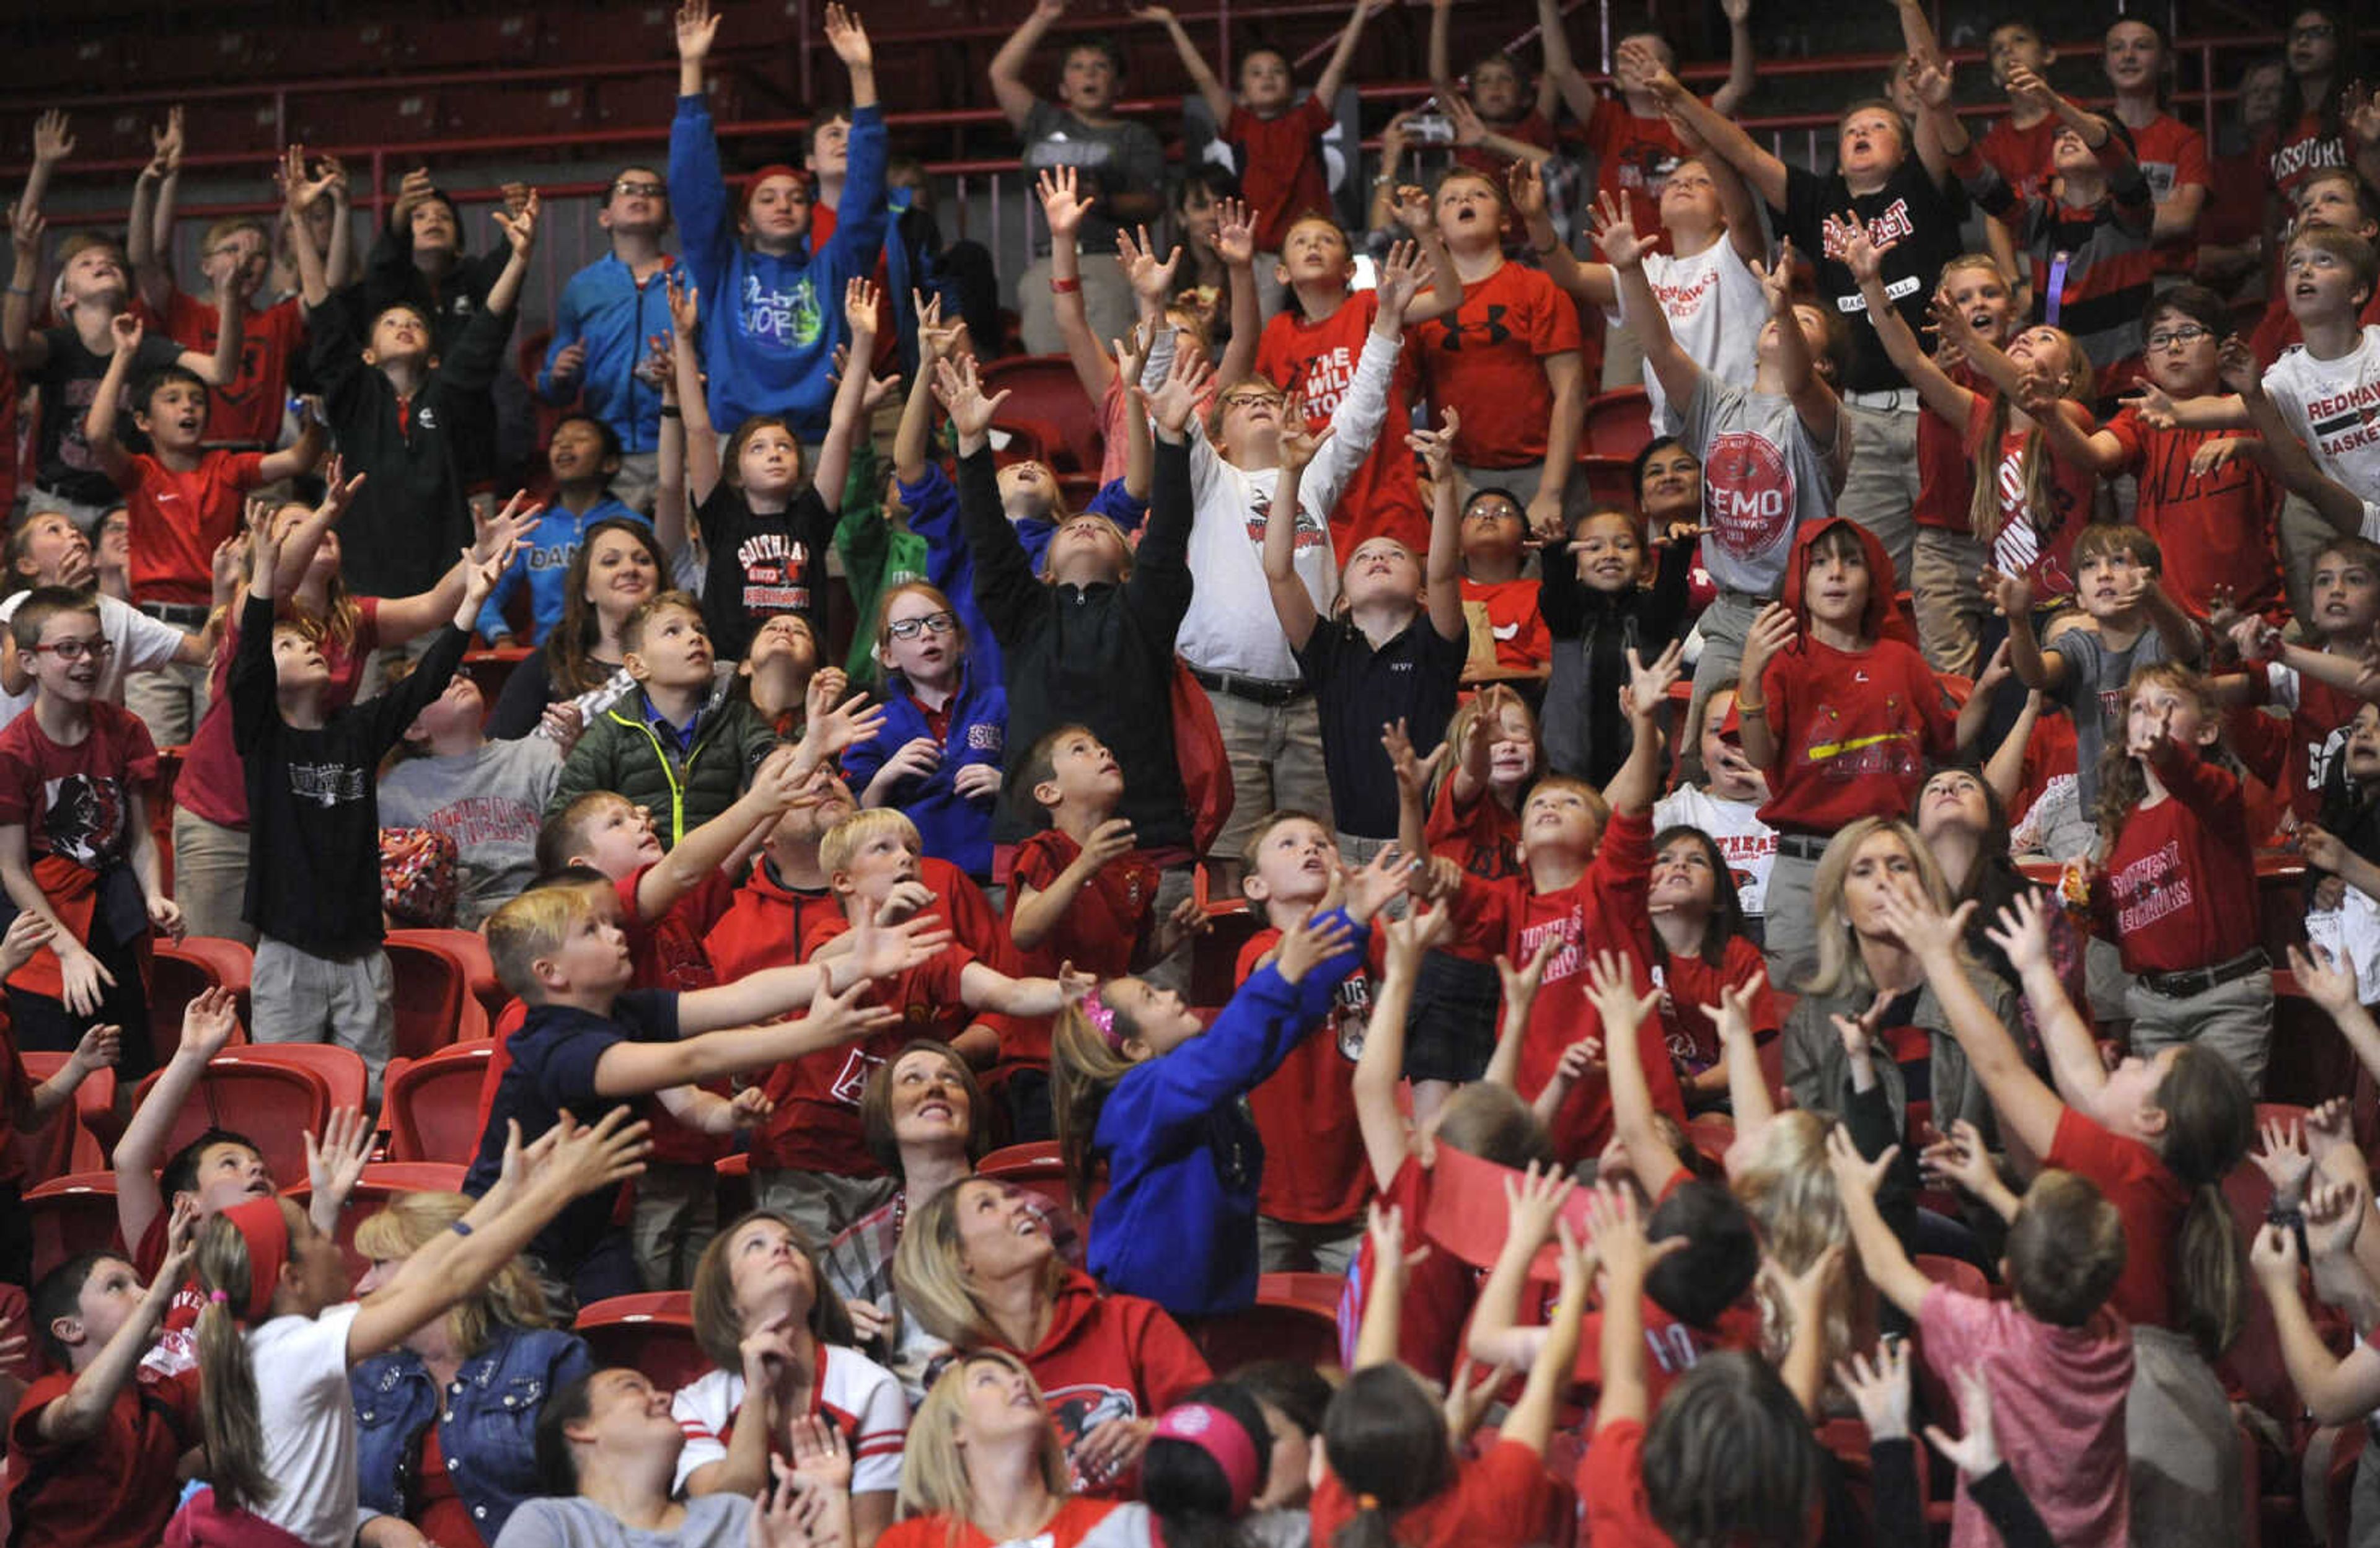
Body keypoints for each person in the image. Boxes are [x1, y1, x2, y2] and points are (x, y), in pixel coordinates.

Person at [1895, 883, 2254, 1547]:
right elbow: (2083, 1075)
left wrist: (1938, 959)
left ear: (2153, 1119)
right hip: (2176, 1404)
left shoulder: (2126, 1165)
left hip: (2153, 1419)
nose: (2124, 1056)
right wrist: (2035, 967)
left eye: (2145, 1065)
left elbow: (2004, 1070)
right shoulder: (2150, 1170)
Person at [462, 869, 946, 1300]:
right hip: (505, 1255)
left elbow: (739, 998)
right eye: (592, 931)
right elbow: (692, 1056)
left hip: (566, 1242)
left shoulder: (624, 1011)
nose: (616, 933)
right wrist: (808, 1034)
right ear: (551, 974)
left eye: (609, 923)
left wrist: (848, 967)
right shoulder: (556, 1049)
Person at [182, 1110, 651, 1548]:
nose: (332, 1243)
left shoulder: (274, 1336)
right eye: (313, 1234)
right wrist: (558, 1190)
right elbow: (448, 1279)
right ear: (292, 1279)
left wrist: (506, 1193)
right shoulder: (294, 1348)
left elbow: (422, 1269)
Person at [1642, 28, 1975, 589]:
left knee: (1959, 563)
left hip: (1940, 403)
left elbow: (1933, 97)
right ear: (1838, 160)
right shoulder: (1820, 201)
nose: (1862, 134)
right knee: (1874, 572)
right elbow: (1745, 154)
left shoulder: (1921, 186)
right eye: (1850, 132)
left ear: (1904, 148)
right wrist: (1682, 100)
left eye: (1878, 128)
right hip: (1859, 415)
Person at [231, 496, 520, 1094]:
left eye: (309, 644)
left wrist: (471, 604)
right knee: (289, 1090)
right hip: (289, 953)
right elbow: (249, 661)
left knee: (365, 1097)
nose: (307, 647)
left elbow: (428, 682)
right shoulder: (262, 736)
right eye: (288, 647)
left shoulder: (358, 732)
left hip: (363, 951)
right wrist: (263, 574)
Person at [1174, 241, 1416, 877]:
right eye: (1241, 402)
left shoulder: (1306, 475)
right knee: (1233, 869)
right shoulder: (1207, 478)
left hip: (1315, 700)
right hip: (1224, 703)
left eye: (1268, 399)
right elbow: (1167, 409)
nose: (1258, 403)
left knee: (1320, 861)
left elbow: (1362, 413)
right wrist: (1150, 303)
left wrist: (1387, 322)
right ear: (1218, 434)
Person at [937, 351, 1197, 903]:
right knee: (1038, 989)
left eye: (1099, 526)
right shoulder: (1025, 613)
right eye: (1074, 524)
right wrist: (972, 445)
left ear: (1128, 562)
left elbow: (1170, 536)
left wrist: (1173, 439)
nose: (1084, 524)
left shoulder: (1144, 610)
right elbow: (988, 538)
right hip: (1034, 838)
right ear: (1047, 568)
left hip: (1144, 836)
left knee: (1154, 989)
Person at [1055, 885, 1375, 1311]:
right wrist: (1279, 976)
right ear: (1135, 1050)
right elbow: (1226, 1054)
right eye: (1152, 997)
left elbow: (1281, 1028)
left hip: (1211, 1297)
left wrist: (1353, 920)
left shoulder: (1192, 1070)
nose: (1173, 994)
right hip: (1152, 1304)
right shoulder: (1138, 1096)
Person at [1597, 193, 1844, 724]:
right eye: (1782, 318)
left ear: (1824, 361)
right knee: (1701, 758)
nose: (1787, 322)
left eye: (1805, 321)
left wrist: (1781, 306)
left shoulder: (1825, 417)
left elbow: (1800, 384)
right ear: (1755, 344)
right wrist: (1629, 271)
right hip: (1730, 614)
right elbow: (1661, 348)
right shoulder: (1718, 403)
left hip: (1806, 614)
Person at [1831, 1127, 2135, 1547]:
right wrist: (1990, 1188)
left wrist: (1854, 1193)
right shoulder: (2115, 1338)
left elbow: (1887, 1271)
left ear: (2008, 1273)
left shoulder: (1990, 1339)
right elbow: (2069, 1254)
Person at [1736, 518, 1975, 984]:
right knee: (1799, 1009)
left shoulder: (1902, 660)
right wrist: (1750, 677)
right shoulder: (1784, 660)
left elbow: (1951, 741)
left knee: (1895, 997)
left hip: (1888, 856)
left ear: (1875, 582)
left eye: (1851, 562)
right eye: (1820, 563)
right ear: (1798, 585)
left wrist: (1989, 688)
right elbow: (1761, 755)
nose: (1837, 574)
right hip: (1806, 864)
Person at [286, 154, 534, 602]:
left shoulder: (449, 393)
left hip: (440, 592)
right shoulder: (353, 393)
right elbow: (323, 312)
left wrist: (518, 258)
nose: (404, 326)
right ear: (367, 352)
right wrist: (300, 220)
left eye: (416, 324)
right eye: (390, 323)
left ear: (436, 357)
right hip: (359, 596)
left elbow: (489, 325)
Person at [81, 314, 324, 745]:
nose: (188, 406)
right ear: (143, 422)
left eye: (196, 399)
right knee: (157, 753)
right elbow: (98, 435)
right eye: (172, 399)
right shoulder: (140, 473)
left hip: (222, 626)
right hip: (158, 631)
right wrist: (123, 354)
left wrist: (316, 418)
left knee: (221, 752)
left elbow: (300, 460)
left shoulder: (228, 468)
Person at [892, 1178, 1211, 1494]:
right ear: (958, 1258)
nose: (1020, 1204)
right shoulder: (959, 1385)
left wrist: (1158, 1435)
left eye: (1010, 1197)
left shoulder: (1130, 1323)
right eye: (987, 1205)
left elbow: (1225, 1430)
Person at [1264, 403, 1465, 864]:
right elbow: (1278, 573)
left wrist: (1446, 482)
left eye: (1396, 555)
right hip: (1351, 848)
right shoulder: (1330, 649)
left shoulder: (1434, 643)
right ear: (1343, 599)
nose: (1378, 558)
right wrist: (1290, 475)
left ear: (1420, 593)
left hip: (1433, 842)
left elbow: (1444, 573)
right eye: (1363, 557)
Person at [1308, 1203, 1569, 1546]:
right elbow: (1550, 1378)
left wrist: (1388, 1276)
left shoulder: (1339, 1513)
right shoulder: (1488, 1506)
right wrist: (1569, 1279)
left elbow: (1370, 1387)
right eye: (1432, 1391)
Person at [349, 1192, 594, 1548]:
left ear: (439, 1265)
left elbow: (606, 1496)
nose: (362, 1286)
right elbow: (324, 1505)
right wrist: (376, 1527)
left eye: (378, 1263)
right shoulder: (373, 1378)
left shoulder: (549, 1359)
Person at [4, 174, 242, 533]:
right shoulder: (58, 344)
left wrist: (230, 297)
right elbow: (14, 343)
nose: (103, 263)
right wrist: (25, 259)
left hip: (121, 504)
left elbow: (221, 372)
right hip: (56, 501)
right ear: (66, 298)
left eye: (112, 263)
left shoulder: (145, 346)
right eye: (86, 263)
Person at [0, 589, 175, 1071]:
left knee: (126, 1063)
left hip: (112, 910)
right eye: (69, 649)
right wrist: (67, 951)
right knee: (57, 1064)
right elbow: (12, 870)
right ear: (30, 661)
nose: (87, 661)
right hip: (43, 918)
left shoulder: (126, 729)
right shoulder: (13, 752)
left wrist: (155, 894)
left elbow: (139, 836)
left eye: (98, 647)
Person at [2084, 664, 2273, 1092]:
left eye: (2167, 704)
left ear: (2206, 732)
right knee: (2166, 1133)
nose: (2151, 714)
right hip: (2152, 1005)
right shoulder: (2125, 825)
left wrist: (2169, 756)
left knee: (2220, 1127)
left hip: (2226, 998)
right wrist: (2091, 894)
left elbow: (2198, 783)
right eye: (2138, 707)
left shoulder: (2216, 795)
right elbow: (2131, 930)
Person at [1779, 817, 2014, 1159]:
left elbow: (2024, 1147)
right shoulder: (1810, 1021)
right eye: (1863, 871)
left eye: (1899, 867)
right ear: (1842, 909)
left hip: (1971, 1208)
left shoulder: (1989, 999)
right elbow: (1811, 1160)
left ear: (1927, 892)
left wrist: (1982, 1169)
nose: (1884, 882)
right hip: (1860, 1206)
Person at [671, 1210, 906, 1543]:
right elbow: (725, 1525)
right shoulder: (696, 1404)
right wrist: (757, 1396)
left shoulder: (872, 1388)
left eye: (793, 1245)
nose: (782, 1249)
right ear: (727, 1299)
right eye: (756, 1245)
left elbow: (873, 1538)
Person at [1409, 169, 1583, 543]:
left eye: (1478, 195)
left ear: (1506, 222)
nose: (1464, 202)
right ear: (1435, 229)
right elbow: (1397, 401)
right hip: (1458, 472)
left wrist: (1551, 491)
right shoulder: (1420, 305)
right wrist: (1415, 472)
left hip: (1542, 468)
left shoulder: (1539, 287)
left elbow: (1571, 391)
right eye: (1451, 199)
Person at [9, 1201, 195, 1548]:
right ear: (69, 1329)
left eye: (143, 1284)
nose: (143, 1294)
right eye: (117, 1286)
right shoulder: (48, 1393)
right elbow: (81, 1413)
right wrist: (157, 1298)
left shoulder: (166, 1396)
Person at [1137, 0, 1380, 263]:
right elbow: (1205, 79)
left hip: (1310, 245)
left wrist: (1360, 14)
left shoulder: (1307, 119)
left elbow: (1336, 68)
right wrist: (1173, 24)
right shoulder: (1240, 125)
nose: (1267, 78)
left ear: (1292, 88)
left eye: (1277, 72)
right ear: (1241, 93)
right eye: (1256, 73)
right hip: (1262, 253)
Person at [988, 2, 1165, 354]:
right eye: (1079, 67)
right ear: (1064, 86)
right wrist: (1044, 16)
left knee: (1111, 366)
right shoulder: (1045, 123)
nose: (1090, 75)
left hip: (1111, 260)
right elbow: (1001, 74)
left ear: (1118, 85)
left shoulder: (1136, 135)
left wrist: (1105, 201)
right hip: (1051, 262)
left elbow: (1153, 202)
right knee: (1046, 364)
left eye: (1101, 67)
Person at [503, 1368, 847, 1548]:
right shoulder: (550, 1524)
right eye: (632, 1387)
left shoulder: (735, 1515)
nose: (664, 1398)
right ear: (581, 1429)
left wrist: (831, 1493)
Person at [821, 1043, 995, 1393]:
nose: (935, 1087)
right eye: (913, 1079)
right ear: (883, 1115)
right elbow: (833, 1381)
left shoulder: (1029, 1213)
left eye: (951, 1078)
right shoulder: (853, 1249)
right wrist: (837, 1339)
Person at [547, 592, 779, 850]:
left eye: (699, 629)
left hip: (723, 876)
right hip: (642, 881)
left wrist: (770, 763)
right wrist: (616, 824)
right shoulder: (612, 729)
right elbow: (561, 820)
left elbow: (763, 754)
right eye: (673, 631)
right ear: (637, 666)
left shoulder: (734, 715)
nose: (695, 637)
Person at [1993, 524, 2203, 806]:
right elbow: (2037, 675)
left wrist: (2154, 599)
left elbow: (2186, 648)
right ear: (2079, 596)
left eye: (2118, 561)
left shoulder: (2163, 637)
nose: (2104, 574)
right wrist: (2018, 620)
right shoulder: (2080, 649)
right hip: (2109, 816)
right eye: (2090, 565)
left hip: (2179, 805)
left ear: (2151, 578)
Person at [875, 1351, 1158, 1548]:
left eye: (1019, 1376)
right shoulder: (911, 1543)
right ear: (954, 1429)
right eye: (987, 1379)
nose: (1020, 1381)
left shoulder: (1120, 1526)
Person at [840, 582, 1007, 885]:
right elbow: (851, 821)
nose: (927, 634)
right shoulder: (874, 724)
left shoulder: (1000, 703)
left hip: (994, 876)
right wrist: (885, 778)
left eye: (938, 622)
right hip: (911, 880)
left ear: (958, 640)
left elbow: (1045, 783)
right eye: (908, 628)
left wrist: (1006, 786)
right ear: (889, 655)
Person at [377, 667, 563, 928]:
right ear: (414, 728)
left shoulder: (538, 756)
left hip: (541, 906)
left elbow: (571, 847)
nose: (454, 678)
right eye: (437, 684)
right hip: (451, 924)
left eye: (459, 670)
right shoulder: (396, 790)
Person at [536, 167, 676, 512]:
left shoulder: (689, 278)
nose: (641, 196)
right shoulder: (583, 287)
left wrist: (686, 376)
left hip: (677, 444)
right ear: (604, 217)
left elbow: (714, 362)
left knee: (684, 557)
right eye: (628, 189)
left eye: (652, 191)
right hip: (607, 455)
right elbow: (554, 388)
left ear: (668, 220)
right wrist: (559, 374)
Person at [477, 416, 662, 649]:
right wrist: (500, 635)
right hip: (549, 655)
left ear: (610, 463)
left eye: (580, 438)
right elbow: (485, 592)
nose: (565, 445)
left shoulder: (634, 528)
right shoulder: (531, 529)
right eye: (557, 441)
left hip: (621, 652)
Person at [485, 518, 668, 742]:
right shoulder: (546, 665)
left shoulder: (685, 658)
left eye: (643, 560)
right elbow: (501, 757)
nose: (630, 569)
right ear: (587, 589)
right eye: (611, 562)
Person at [2102, 16, 2213, 278]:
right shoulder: (2088, 133)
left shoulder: (2186, 139)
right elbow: (2071, 217)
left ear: (2166, 63)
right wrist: (2156, 212)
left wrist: (2104, 214)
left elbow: (2181, 220)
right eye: (2117, 48)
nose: (2128, 56)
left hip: (2166, 281)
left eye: (2141, 46)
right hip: (2102, 280)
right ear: (2106, 64)